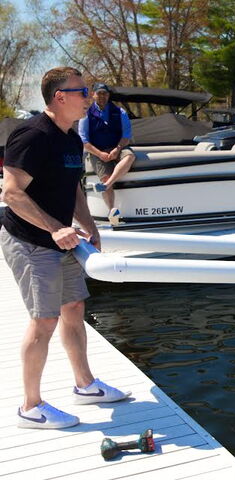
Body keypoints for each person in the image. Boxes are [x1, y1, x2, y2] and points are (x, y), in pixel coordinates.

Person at [1, 67, 129, 429]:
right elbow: (10, 193)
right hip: (28, 241)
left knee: (73, 307)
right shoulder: (32, 135)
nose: (89, 97)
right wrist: (56, 228)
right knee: (44, 319)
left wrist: (88, 224)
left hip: (62, 239)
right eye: (82, 91)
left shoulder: (71, 137)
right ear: (60, 97)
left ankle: (85, 386)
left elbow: (72, 187)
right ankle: (30, 407)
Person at [78, 82, 135, 223]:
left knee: (130, 156)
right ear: (93, 95)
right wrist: (99, 154)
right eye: (99, 93)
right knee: (104, 177)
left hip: (117, 148)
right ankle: (112, 212)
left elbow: (126, 136)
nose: (102, 96)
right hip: (97, 151)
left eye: (105, 93)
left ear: (108, 95)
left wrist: (117, 149)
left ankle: (107, 185)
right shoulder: (85, 115)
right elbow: (84, 141)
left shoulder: (120, 112)